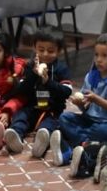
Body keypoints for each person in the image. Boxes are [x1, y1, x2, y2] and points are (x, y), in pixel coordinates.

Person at [50, 33, 107, 166]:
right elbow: (86, 107)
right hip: (89, 120)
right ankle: (85, 145)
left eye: (105, 56)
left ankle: (72, 146)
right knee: (65, 117)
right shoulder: (91, 76)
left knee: (104, 131)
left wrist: (96, 99)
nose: (99, 60)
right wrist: (80, 103)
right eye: (96, 55)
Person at [8, 27, 73, 156]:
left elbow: (66, 92)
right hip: (32, 106)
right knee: (20, 117)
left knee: (50, 124)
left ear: (59, 51)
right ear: (34, 48)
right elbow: (21, 89)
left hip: (52, 109)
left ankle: (42, 140)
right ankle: (15, 137)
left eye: (50, 51)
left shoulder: (61, 68)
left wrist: (48, 82)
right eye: (41, 50)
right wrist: (33, 74)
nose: (45, 54)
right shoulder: (30, 66)